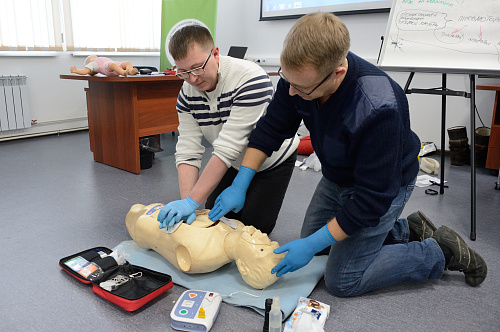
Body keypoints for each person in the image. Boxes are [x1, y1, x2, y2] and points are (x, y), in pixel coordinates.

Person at [209, 12, 487, 297]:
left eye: (302, 89)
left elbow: (370, 201)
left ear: (338, 71)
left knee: (342, 279)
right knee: (320, 245)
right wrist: (240, 182)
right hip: (337, 176)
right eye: (286, 80)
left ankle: (438, 250)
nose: (290, 91)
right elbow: (270, 129)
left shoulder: (378, 108)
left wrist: (312, 244)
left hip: (383, 187)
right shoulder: (299, 76)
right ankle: (407, 229)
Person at [157, 25, 298, 234]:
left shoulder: (250, 78)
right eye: (184, 72)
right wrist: (188, 202)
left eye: (197, 68)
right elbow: (188, 149)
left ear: (215, 53)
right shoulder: (187, 94)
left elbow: (227, 147)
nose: (193, 79)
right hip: (232, 162)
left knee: (251, 230)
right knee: (213, 222)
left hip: (271, 161)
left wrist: (192, 200)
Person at [125, 203, 284, 289]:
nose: (263, 236)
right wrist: (190, 202)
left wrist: (143, 222)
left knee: (136, 211)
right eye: (269, 242)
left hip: (144, 221)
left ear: (242, 267)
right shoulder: (239, 226)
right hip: (162, 210)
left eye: (261, 248)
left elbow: (163, 237)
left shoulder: (201, 256)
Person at [70, 55, 138, 76]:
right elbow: (85, 71)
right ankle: (123, 72)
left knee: (126, 63)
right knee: (113, 65)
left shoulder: (99, 59)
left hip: (114, 65)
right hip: (108, 67)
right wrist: (76, 71)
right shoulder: (93, 64)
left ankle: (131, 71)